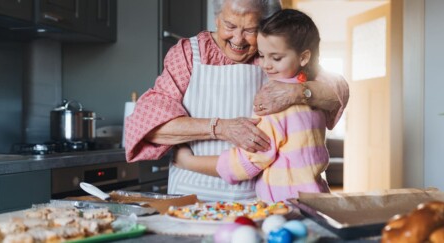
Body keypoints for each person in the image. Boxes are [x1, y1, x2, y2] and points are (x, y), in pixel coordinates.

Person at [125, 0, 349, 202]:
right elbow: (148, 124)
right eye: (230, 26)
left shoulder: (272, 54)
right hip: (192, 194)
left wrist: (296, 93)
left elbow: (338, 90)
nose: (238, 39)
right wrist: (220, 128)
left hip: (258, 199)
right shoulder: (189, 54)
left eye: (250, 30)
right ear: (217, 18)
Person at [174, 9, 332, 202]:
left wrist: (188, 161)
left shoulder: (275, 104)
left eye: (276, 58)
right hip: (318, 196)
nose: (265, 65)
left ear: (303, 57)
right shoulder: (316, 96)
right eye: (262, 55)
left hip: (287, 204)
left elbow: (247, 162)